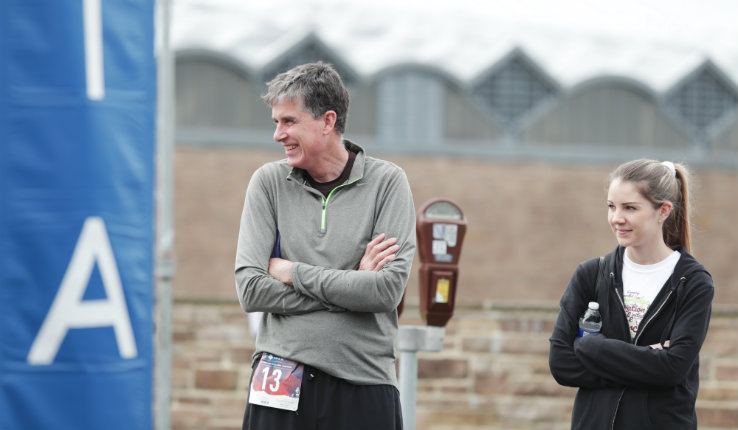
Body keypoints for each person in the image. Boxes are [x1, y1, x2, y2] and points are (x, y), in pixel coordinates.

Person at [234, 62, 416, 430]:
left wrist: (291, 272)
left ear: (327, 121)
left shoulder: (389, 184)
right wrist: (351, 284)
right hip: (279, 379)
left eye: (288, 121)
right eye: (276, 122)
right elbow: (251, 290)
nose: (277, 134)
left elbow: (385, 290)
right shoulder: (268, 183)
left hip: (364, 384)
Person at [549, 159, 714, 430]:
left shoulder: (693, 283)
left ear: (663, 211)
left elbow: (673, 369)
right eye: (612, 207)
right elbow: (561, 364)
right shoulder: (591, 275)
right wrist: (648, 361)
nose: (617, 218)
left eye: (630, 208)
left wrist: (593, 347)